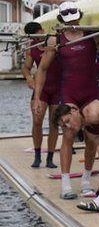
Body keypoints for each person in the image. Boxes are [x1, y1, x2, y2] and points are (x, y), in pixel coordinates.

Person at [32, 1, 99, 200]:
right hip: (68, 93)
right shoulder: (56, 40)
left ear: (80, 16)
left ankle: (86, 179)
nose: (74, 21)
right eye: (69, 19)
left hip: (91, 92)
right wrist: (36, 97)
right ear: (61, 20)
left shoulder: (92, 35)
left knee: (92, 138)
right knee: (68, 134)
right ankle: (66, 183)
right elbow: (42, 69)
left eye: (76, 18)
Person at [21, 22, 60, 168]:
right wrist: (28, 77)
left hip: (57, 88)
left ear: (42, 31)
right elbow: (26, 67)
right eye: (34, 38)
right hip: (41, 88)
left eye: (39, 36)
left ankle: (50, 158)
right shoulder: (31, 47)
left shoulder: (54, 42)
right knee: (37, 120)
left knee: (54, 124)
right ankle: (37, 155)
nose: (37, 40)